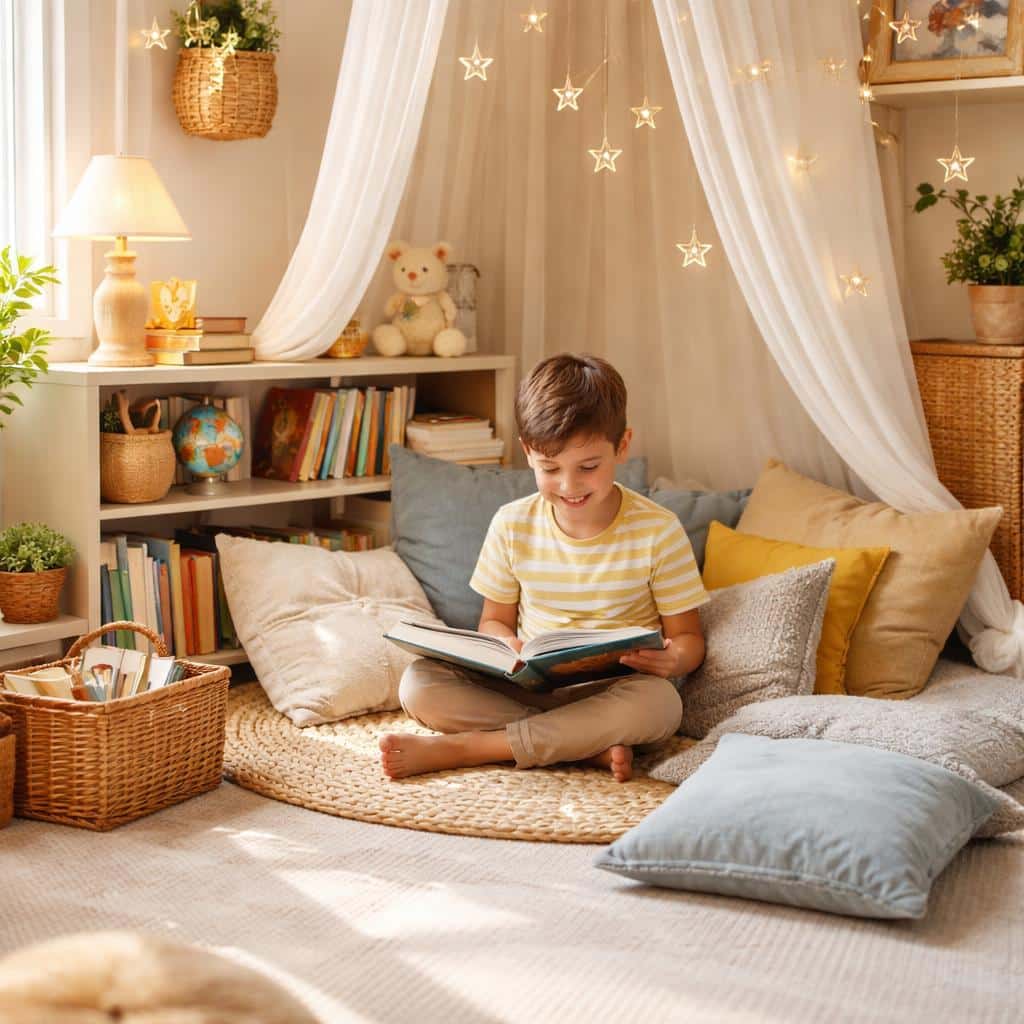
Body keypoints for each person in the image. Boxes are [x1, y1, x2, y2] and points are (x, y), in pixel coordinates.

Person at [379, 353, 708, 782]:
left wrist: (672, 660)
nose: (569, 486)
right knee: (419, 684)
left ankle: (476, 747)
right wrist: (508, 647)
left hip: (614, 694)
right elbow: (494, 622)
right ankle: (579, 748)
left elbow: (689, 639)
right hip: (529, 692)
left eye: (588, 467)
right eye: (549, 469)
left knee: (661, 705)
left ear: (622, 446)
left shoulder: (658, 530)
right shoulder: (512, 524)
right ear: (528, 452)